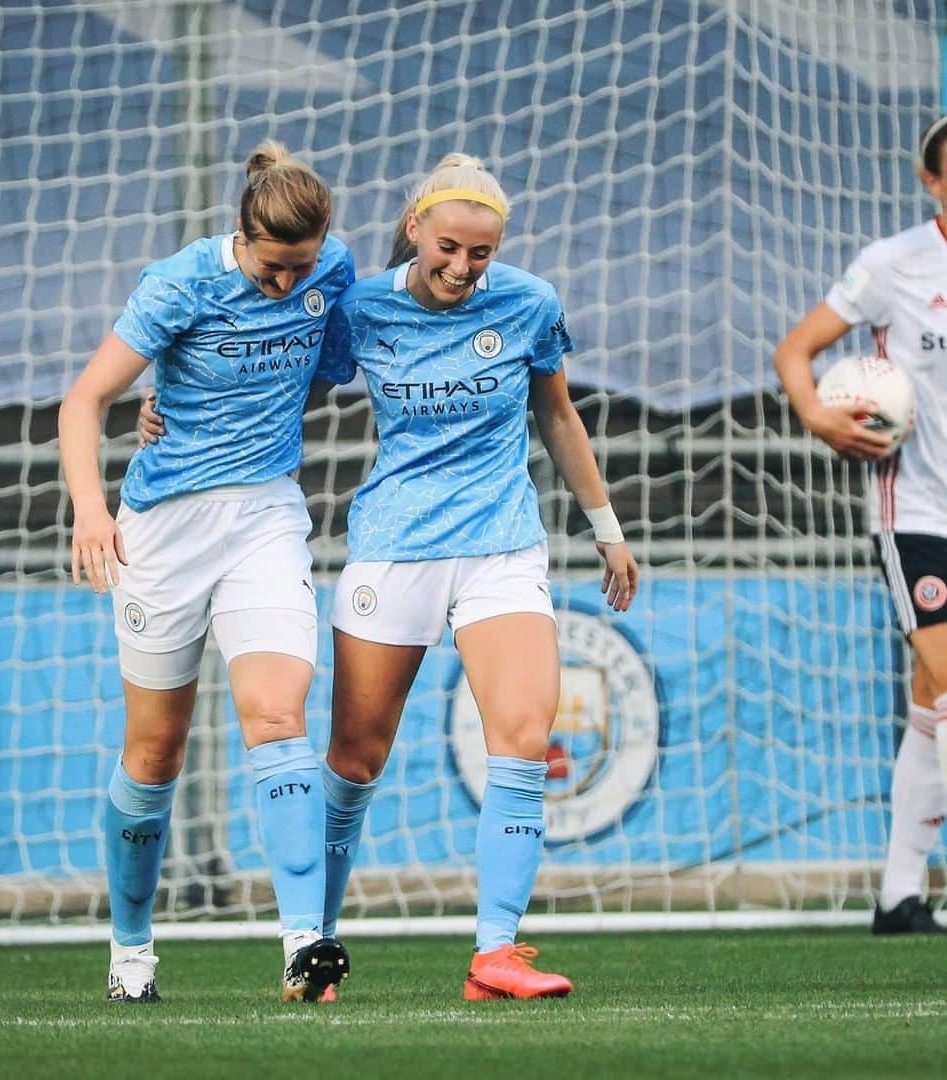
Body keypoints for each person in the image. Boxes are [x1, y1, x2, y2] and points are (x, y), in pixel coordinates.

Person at [317, 154, 638, 1000]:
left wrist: (606, 530)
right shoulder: (360, 305)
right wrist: (170, 405)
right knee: (355, 756)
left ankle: (494, 954)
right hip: (394, 548)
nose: (463, 268)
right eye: (449, 248)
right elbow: (286, 382)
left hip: (501, 545)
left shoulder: (529, 303)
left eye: (481, 255)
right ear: (415, 230)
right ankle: (309, 941)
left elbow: (558, 413)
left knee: (526, 739)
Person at [59, 141, 356, 1005]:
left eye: (298, 268)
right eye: (271, 270)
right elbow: (84, 400)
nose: (285, 285)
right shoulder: (180, 282)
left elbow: (319, 374)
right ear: (239, 235)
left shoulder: (327, 271)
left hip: (264, 515)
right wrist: (90, 507)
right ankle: (130, 950)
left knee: (277, 714)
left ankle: (306, 942)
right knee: (154, 754)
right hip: (165, 532)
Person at [774, 115, 947, 935]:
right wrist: (818, 416)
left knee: (931, 696)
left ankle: (897, 897)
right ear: (932, 182)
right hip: (916, 506)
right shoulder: (892, 264)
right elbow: (795, 350)